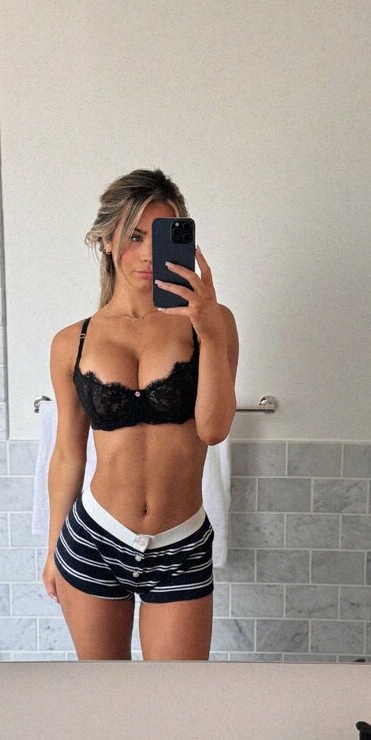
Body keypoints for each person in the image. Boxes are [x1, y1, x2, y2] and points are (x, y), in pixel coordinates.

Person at [41, 168, 239, 660]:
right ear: (106, 241)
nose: (150, 253)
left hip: (181, 544)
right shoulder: (71, 341)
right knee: (104, 696)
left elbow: (214, 429)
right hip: (94, 539)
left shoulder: (213, 324)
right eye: (134, 235)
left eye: (162, 235)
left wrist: (208, 329)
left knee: (176, 698)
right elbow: (67, 453)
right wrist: (51, 548)